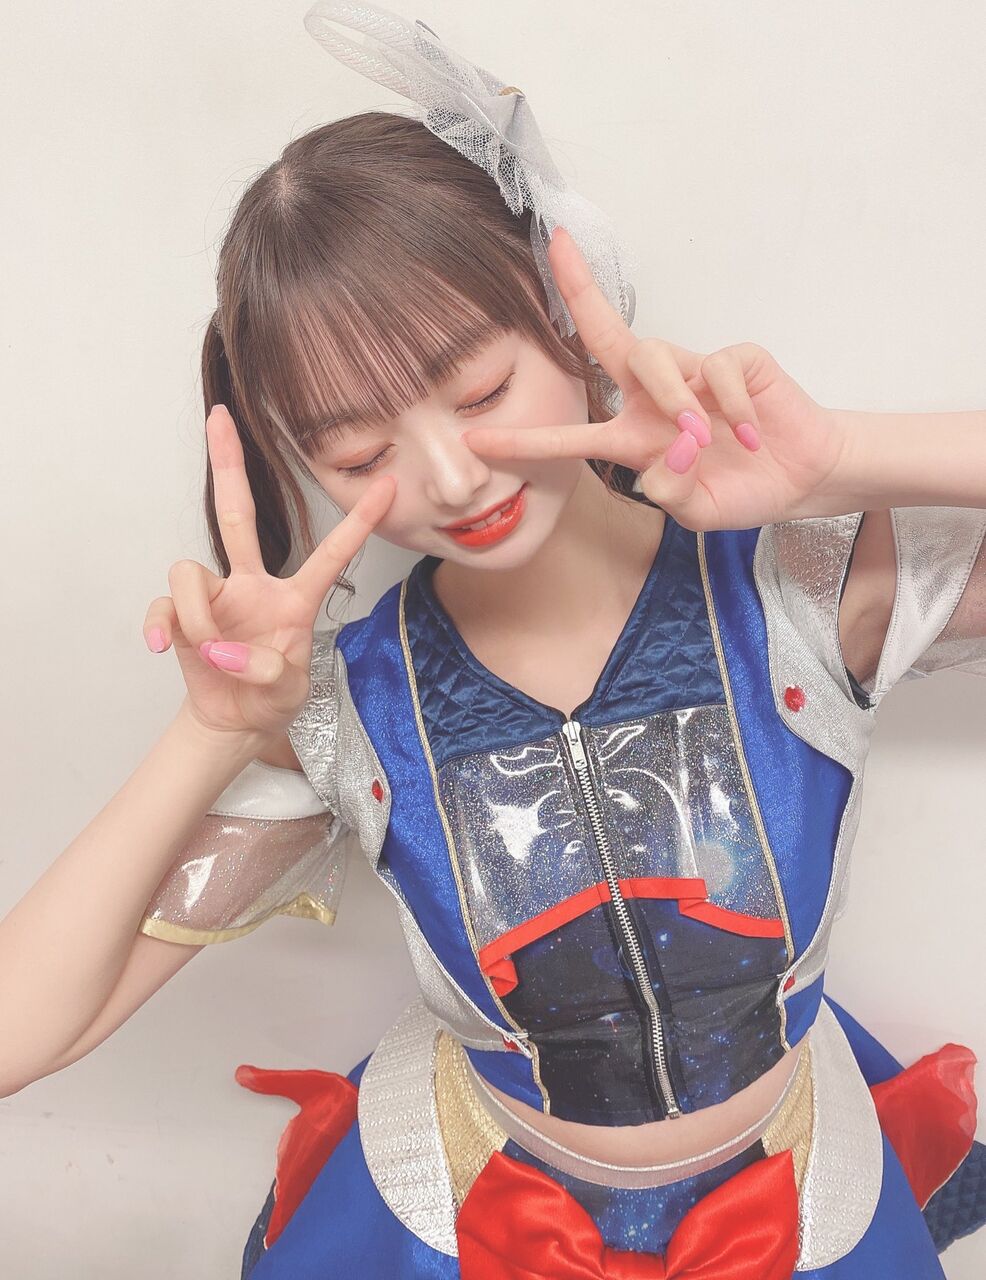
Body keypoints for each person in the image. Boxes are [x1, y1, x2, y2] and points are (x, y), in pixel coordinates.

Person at [2, 3, 985, 1276]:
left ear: (565, 309)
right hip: (465, 1220)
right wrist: (211, 729)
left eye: (480, 391)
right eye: (359, 452)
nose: (452, 475)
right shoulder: (348, 709)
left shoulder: (797, 589)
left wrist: (841, 457)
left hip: (800, 1207)